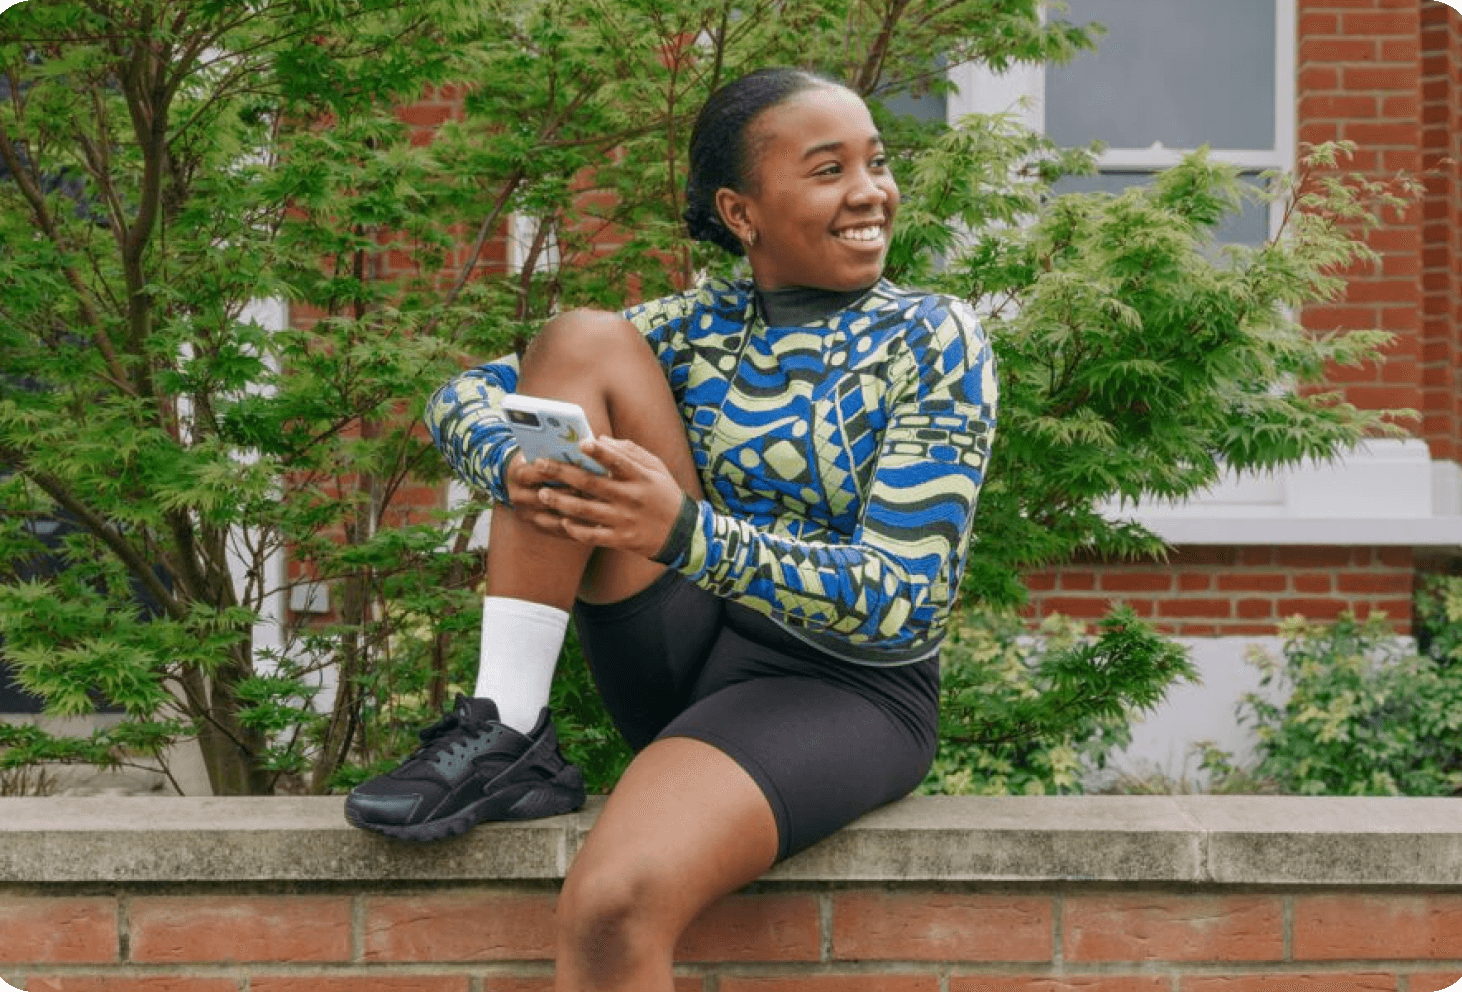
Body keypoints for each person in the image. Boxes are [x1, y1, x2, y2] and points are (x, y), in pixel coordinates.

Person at [345, 66, 998, 991]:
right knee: (576, 343)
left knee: (613, 908)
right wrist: (518, 462)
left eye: (875, 163)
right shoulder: (693, 329)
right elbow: (459, 398)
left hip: (834, 688)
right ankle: (509, 727)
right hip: (677, 638)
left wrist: (684, 532)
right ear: (741, 212)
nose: (871, 193)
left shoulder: (934, 338)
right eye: (828, 170)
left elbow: (903, 604)